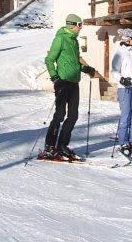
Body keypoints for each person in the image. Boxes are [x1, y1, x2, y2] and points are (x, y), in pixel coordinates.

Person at [40, 14, 96, 160]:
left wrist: (86, 68)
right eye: (79, 24)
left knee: (73, 116)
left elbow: (75, 61)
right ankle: (49, 146)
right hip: (62, 82)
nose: (80, 28)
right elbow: (49, 59)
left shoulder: (74, 41)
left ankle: (62, 145)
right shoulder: (61, 38)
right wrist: (54, 77)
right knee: (59, 115)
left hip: (73, 82)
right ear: (72, 24)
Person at [111, 28, 132, 157]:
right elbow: (114, 71)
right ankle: (123, 142)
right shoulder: (120, 52)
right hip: (124, 88)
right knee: (126, 115)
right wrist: (122, 80)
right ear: (126, 39)